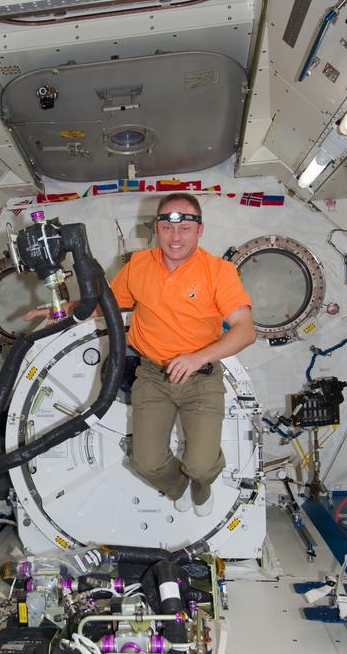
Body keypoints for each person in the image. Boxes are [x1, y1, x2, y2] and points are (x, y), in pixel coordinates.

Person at [109, 193, 255, 518]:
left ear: (200, 230)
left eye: (185, 227)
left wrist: (197, 358)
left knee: (201, 465)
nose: (176, 237)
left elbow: (245, 330)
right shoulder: (137, 266)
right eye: (168, 226)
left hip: (200, 378)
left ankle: (201, 485)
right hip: (152, 376)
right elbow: (104, 306)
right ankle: (178, 486)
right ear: (157, 228)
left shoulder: (219, 272)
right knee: (145, 462)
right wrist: (60, 312)